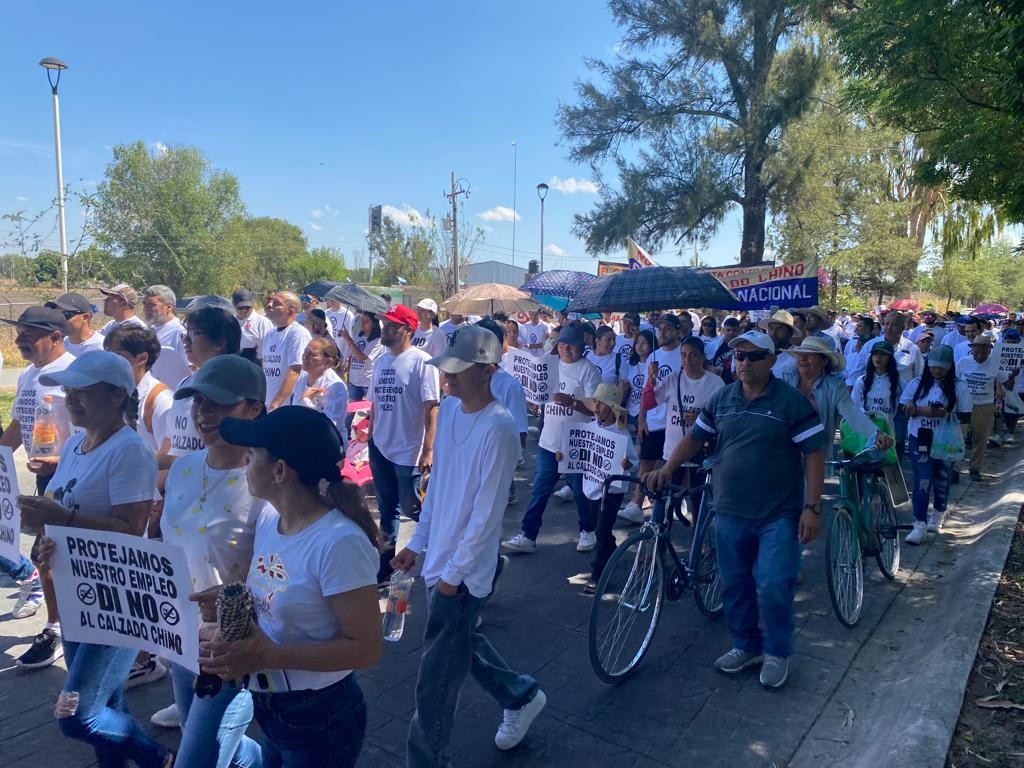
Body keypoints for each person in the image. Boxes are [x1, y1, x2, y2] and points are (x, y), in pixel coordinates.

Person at [392, 326, 547, 766]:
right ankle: (520, 694)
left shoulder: (498, 427)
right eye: (446, 369)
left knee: (435, 684)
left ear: (488, 371)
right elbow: (439, 483)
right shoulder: (453, 411)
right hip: (439, 560)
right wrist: (418, 543)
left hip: (461, 574)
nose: (448, 378)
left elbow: (486, 514)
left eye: (458, 370)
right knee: (460, 644)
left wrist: (452, 576)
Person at [646, 330, 827, 690]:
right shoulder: (723, 398)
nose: (743, 363)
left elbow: (814, 453)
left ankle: (776, 651)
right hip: (728, 508)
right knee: (735, 583)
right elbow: (695, 438)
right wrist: (667, 469)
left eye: (753, 356)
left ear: (772, 361)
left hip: (779, 513)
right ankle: (747, 645)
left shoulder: (792, 403)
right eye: (738, 357)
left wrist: (813, 507)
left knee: (774, 583)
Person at [203, 406, 382, 767]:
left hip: (321, 717)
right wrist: (229, 601)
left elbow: (365, 649)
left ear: (280, 471)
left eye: (251, 457)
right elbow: (278, 592)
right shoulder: (272, 517)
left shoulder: (338, 543)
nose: (244, 464)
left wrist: (269, 655)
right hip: (272, 704)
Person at [19, 351, 171, 767]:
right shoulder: (74, 446)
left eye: (83, 392)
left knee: (78, 715)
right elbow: (65, 509)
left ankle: (159, 758)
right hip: (76, 590)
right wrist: (49, 537)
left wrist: (63, 518)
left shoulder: (130, 451)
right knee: (109, 702)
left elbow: (130, 530)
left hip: (115, 598)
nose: (71, 399)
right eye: (69, 391)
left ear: (117, 395)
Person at [161, 356, 266, 768]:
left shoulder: (267, 481)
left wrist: (234, 598)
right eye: (198, 402)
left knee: (195, 760)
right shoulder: (183, 469)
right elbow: (168, 548)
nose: (203, 414)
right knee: (205, 742)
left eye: (218, 404)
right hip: (179, 638)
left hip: (231, 650)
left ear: (253, 409)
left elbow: (283, 571)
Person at [0, 307, 74, 668]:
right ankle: (62, 623)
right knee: (46, 555)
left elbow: (94, 435)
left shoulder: (74, 373)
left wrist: (59, 463)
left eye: (28, 335)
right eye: (19, 334)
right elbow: (18, 423)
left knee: (49, 556)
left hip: (73, 477)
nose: (19, 341)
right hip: (44, 477)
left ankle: (58, 628)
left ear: (56, 337)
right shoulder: (30, 374)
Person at [503, 323, 601, 553]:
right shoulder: (548, 364)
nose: (567, 350)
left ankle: (588, 531)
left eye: (573, 346)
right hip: (549, 441)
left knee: (580, 490)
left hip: (577, 442)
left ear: (581, 348)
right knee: (540, 490)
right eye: (563, 345)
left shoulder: (588, 371)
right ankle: (528, 535)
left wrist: (573, 402)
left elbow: (596, 408)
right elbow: (537, 389)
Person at [369, 305, 439, 582]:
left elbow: (431, 408)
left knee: (413, 508)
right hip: (380, 446)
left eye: (392, 326)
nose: (385, 330)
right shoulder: (381, 361)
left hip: (409, 450)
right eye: (384, 324)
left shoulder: (422, 361)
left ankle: (439, 548)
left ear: (408, 330)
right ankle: (385, 567)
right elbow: (375, 403)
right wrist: (371, 435)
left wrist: (428, 450)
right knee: (387, 510)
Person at [641, 336, 724, 523]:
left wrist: (701, 417)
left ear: (703, 357)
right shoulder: (673, 379)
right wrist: (651, 380)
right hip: (672, 451)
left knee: (699, 501)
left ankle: (699, 544)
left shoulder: (716, 384)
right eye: (684, 355)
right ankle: (658, 544)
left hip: (700, 452)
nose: (688, 360)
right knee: (664, 501)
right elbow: (648, 403)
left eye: (693, 355)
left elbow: (724, 418)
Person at [901, 344, 972, 542]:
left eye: (942, 367)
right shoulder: (917, 383)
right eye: (933, 366)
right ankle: (919, 524)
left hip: (946, 440)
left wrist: (945, 413)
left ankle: (938, 514)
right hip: (920, 435)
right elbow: (904, 404)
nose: (937, 370)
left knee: (942, 479)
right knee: (922, 480)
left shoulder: (959, 386)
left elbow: (966, 416)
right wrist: (911, 409)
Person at [780, 338, 889, 459]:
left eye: (809, 355)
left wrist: (875, 433)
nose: (803, 359)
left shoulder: (835, 386)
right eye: (800, 354)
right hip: (782, 451)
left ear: (824, 361)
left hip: (815, 453)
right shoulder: (785, 378)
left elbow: (851, 412)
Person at [621, 314, 683, 523]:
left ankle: (676, 502)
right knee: (646, 462)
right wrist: (641, 419)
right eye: (660, 328)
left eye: (667, 328)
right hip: (653, 419)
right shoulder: (654, 356)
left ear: (677, 331)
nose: (662, 332)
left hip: (676, 421)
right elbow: (647, 393)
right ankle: (636, 504)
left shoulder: (684, 354)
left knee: (673, 464)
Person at [582, 384, 640, 594]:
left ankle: (599, 574)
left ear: (612, 408)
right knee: (597, 527)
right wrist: (563, 456)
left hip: (612, 491)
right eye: (596, 402)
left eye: (602, 404)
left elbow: (633, 460)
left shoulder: (621, 434)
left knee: (602, 529)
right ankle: (610, 548)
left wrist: (627, 464)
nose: (597, 407)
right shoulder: (590, 426)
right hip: (592, 485)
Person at [166, 306, 242, 459]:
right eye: (185, 335)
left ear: (220, 341)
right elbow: (171, 446)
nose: (185, 341)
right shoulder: (184, 384)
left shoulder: (234, 387)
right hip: (178, 478)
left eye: (194, 334)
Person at [103, 326, 173, 460]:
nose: (109, 362)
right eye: (108, 355)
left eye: (117, 355)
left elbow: (169, 462)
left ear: (142, 358)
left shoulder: (161, 401)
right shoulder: (114, 394)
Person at [957, 335, 1008, 480]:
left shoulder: (995, 364)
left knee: (980, 440)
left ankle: (974, 469)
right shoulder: (963, 363)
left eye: (983, 353)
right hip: (964, 405)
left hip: (984, 406)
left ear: (989, 351)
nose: (980, 356)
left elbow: (1007, 384)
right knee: (958, 438)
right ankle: (954, 468)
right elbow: (954, 381)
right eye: (977, 352)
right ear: (972, 349)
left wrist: (1011, 377)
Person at [262, 291, 313, 411]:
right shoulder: (270, 334)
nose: (269, 305)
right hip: (268, 403)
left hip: (287, 406)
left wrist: (276, 404)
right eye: (270, 302)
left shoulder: (297, 333)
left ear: (290, 311)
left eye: (276, 303)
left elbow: (295, 371)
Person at [292, 337, 348, 435]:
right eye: (305, 352)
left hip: (326, 444)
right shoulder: (302, 376)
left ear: (328, 362)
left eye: (312, 354)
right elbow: (294, 410)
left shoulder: (335, 387)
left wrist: (305, 401)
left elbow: (330, 426)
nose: (305, 357)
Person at [851, 341, 902, 421]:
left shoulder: (898, 380)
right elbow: (855, 404)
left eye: (883, 354)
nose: (878, 357)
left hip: (890, 429)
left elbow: (903, 405)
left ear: (890, 358)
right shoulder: (861, 380)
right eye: (875, 354)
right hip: (867, 427)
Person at [143, 284, 190, 370]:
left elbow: (191, 367)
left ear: (168, 307)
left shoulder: (180, 331)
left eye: (152, 304)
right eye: (145, 303)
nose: (146, 308)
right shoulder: (147, 331)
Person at [619, 328, 657, 434]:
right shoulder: (628, 364)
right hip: (629, 412)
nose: (639, 346)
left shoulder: (654, 366)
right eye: (637, 342)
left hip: (648, 413)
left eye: (644, 343)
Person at [341, 311, 383, 402]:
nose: (362, 323)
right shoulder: (358, 337)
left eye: (366, 321)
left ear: (374, 324)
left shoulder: (377, 340)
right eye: (362, 320)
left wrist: (348, 339)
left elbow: (362, 357)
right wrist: (348, 377)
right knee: (348, 413)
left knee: (371, 412)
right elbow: (352, 357)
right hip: (354, 382)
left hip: (368, 383)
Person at [233, 288, 274, 363]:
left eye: (248, 307)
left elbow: (271, 351)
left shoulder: (263, 323)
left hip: (257, 367)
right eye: (241, 307)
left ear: (252, 303)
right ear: (233, 305)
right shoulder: (230, 322)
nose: (244, 310)